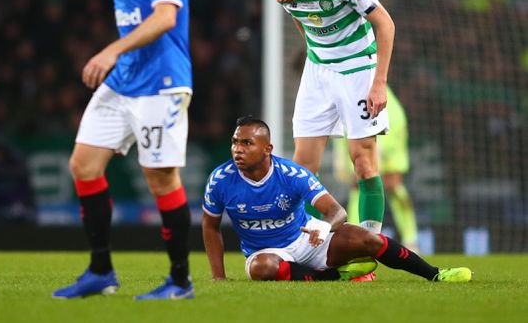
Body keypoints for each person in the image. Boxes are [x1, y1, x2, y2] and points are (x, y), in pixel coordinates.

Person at [53, 0, 193, 300]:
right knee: (83, 165)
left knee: (160, 179)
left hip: (161, 83)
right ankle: (101, 271)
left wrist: (111, 50)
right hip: (125, 81)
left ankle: (180, 282)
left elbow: (166, 17)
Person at [253, 0, 395, 280]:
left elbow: (385, 24)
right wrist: (316, 52)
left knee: (363, 161)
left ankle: (364, 253)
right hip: (318, 72)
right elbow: (302, 20)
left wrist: (379, 83)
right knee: (302, 168)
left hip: (358, 68)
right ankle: (307, 251)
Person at [202, 116, 471, 283]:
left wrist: (324, 227)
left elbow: (337, 212)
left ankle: (435, 273)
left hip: (306, 240)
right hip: (266, 253)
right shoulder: (220, 180)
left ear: (267, 149)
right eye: (235, 142)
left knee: (369, 240)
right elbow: (210, 227)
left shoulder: (292, 174)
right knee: (262, 269)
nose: (237, 149)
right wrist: (218, 277)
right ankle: (333, 276)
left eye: (247, 143)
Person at [334, 85, 419, 251]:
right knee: (359, 185)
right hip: (358, 124)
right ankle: (356, 236)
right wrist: (341, 161)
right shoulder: (341, 91)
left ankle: (411, 240)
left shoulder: (391, 109)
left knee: (393, 185)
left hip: (386, 128)